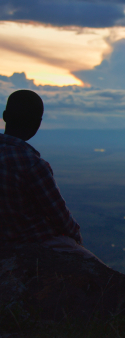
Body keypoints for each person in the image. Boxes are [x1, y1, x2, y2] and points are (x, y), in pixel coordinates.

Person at [0, 89, 98, 260]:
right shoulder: (32, 165)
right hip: (37, 242)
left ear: (5, 116)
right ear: (38, 123)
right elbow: (60, 217)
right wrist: (76, 241)